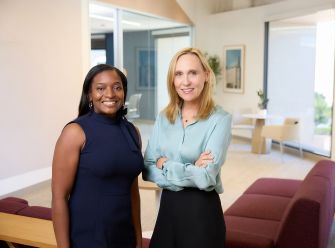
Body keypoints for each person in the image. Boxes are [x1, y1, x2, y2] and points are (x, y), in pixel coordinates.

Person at [143, 48, 232, 248]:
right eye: (179, 74)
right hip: (167, 214)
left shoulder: (220, 120)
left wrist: (164, 163)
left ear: (206, 76)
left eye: (193, 73)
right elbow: (147, 168)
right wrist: (192, 167)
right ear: (172, 80)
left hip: (202, 216)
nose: (185, 81)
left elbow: (206, 177)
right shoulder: (163, 118)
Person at [52, 64, 143, 248]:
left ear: (124, 92)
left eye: (117, 87)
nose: (110, 94)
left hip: (123, 235)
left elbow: (133, 190)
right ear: (89, 94)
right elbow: (59, 197)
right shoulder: (75, 132)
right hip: (88, 237)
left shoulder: (133, 132)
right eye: (100, 88)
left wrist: (138, 238)